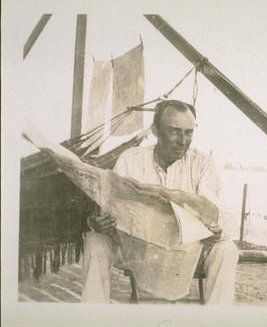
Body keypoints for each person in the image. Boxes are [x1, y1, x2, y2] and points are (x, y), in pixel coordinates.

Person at [81, 100, 239, 304]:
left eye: (188, 132)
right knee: (96, 241)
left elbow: (225, 219)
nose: (183, 141)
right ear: (155, 130)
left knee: (227, 250)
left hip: (187, 253)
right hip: (139, 250)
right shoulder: (130, 158)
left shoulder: (203, 163)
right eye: (174, 131)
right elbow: (110, 206)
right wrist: (97, 220)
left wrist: (216, 231)